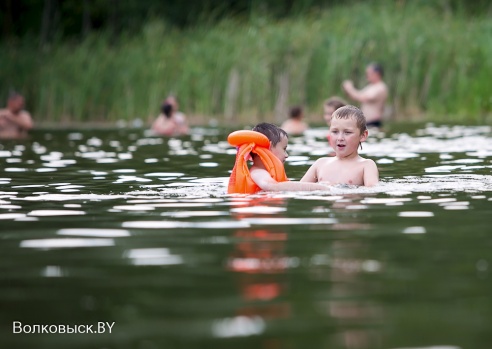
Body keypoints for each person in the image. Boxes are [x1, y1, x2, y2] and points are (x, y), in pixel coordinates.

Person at [227, 123, 329, 193]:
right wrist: (318, 188)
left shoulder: (264, 172)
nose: (286, 155)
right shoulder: (258, 172)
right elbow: (271, 186)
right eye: (284, 149)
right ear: (270, 147)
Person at [300, 105, 379, 187]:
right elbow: (299, 188)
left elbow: (371, 190)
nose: (340, 138)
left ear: (363, 135)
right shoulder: (320, 164)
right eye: (335, 132)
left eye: (347, 132)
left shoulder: (366, 165)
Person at [342, 63, 388, 128]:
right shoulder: (370, 87)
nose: (367, 75)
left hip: (374, 122)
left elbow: (363, 98)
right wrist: (347, 90)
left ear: (377, 73)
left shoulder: (381, 87)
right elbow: (355, 96)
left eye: (369, 73)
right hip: (366, 122)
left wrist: (350, 88)